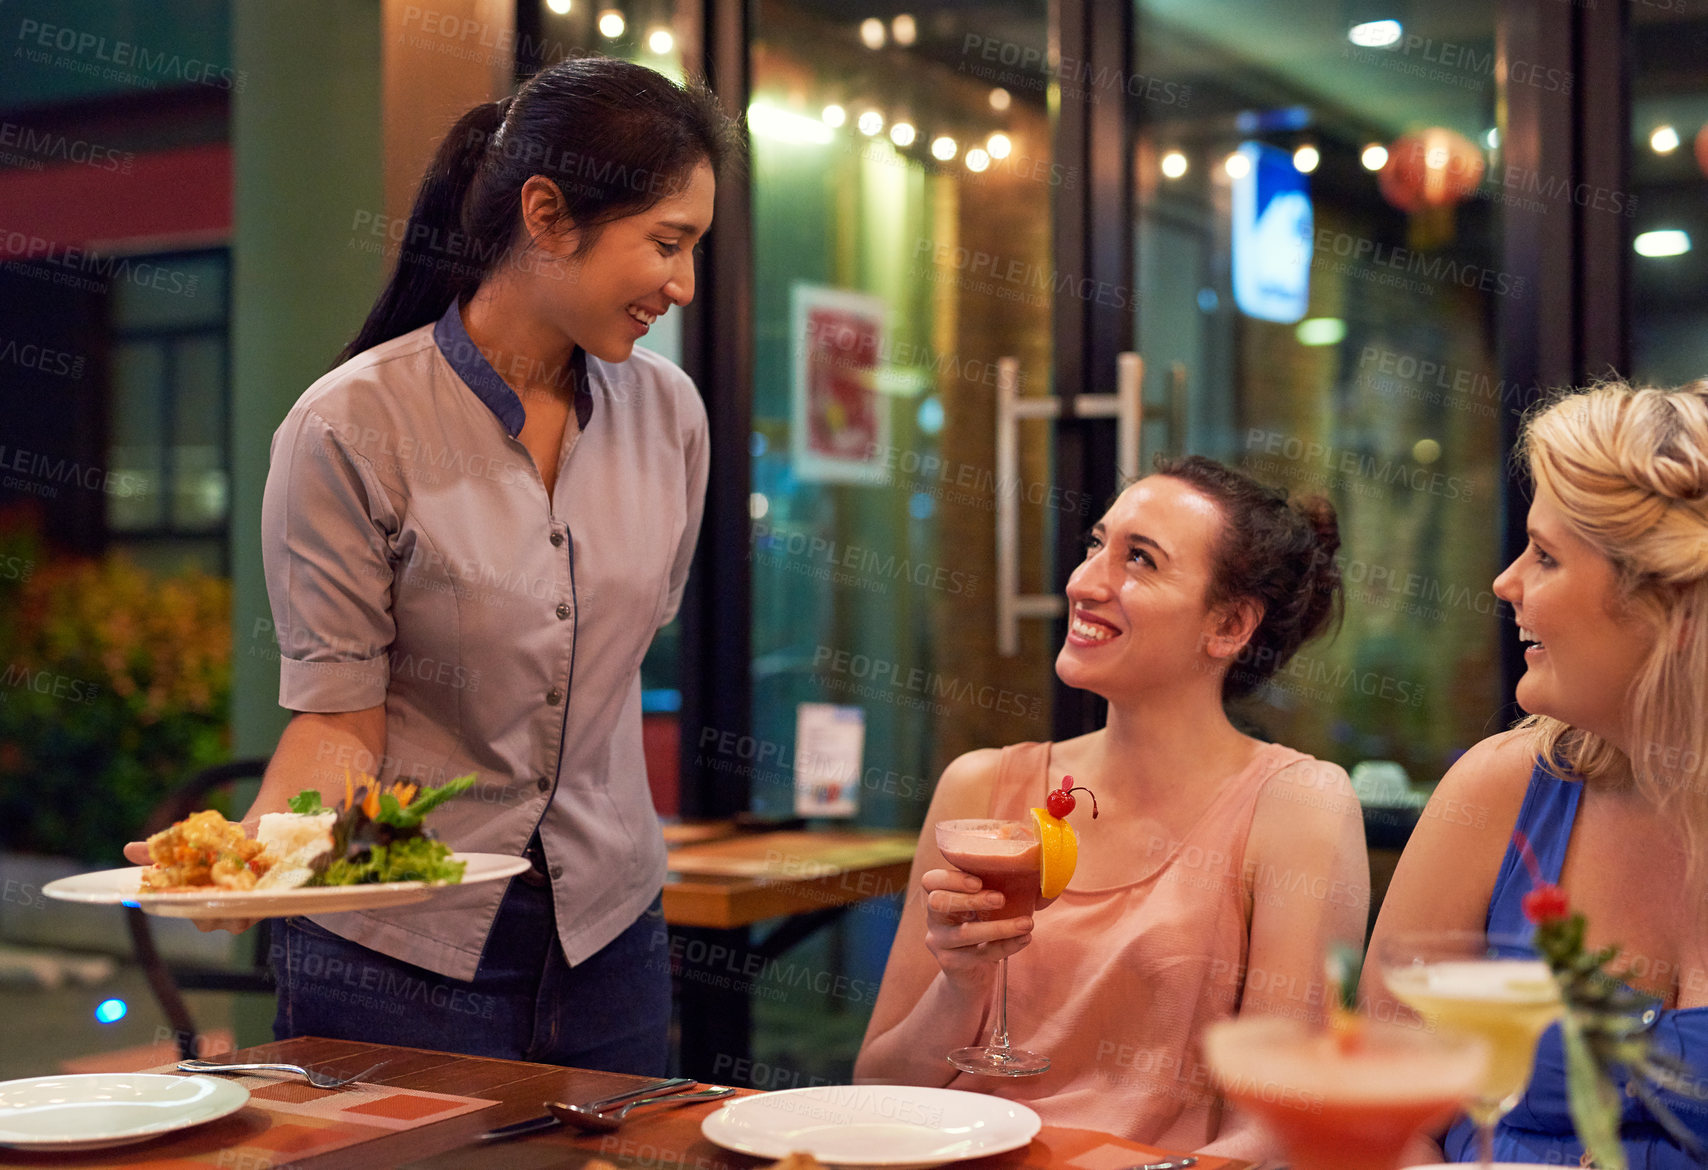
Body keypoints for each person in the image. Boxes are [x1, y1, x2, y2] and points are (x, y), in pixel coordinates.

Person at [127, 57, 739, 1073]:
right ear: (545, 216)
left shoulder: (669, 415)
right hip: (397, 944)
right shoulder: (352, 426)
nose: (681, 284)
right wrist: (247, 863)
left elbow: (613, 666)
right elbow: (338, 717)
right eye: (665, 245)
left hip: (610, 936)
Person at [855, 456, 1370, 1158]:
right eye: (1097, 544)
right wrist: (962, 981)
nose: (1083, 581)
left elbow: (1281, 1124)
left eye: (1140, 560)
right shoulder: (981, 788)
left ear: (1229, 625)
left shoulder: (1297, 806)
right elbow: (875, 1089)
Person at [1363, 381, 1708, 1165]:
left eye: (1546, 556)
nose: (1505, 582)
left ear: (1673, 605)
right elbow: (1384, 1109)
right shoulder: (1503, 788)